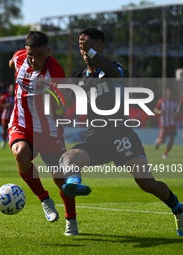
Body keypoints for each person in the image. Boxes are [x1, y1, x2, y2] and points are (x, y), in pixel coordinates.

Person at [59, 27, 183, 236]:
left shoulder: (112, 68)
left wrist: (91, 52)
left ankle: (178, 209)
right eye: (82, 47)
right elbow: (67, 101)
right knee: (68, 157)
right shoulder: (79, 78)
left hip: (122, 136)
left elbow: (117, 75)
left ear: (101, 47)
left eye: (90, 46)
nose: (85, 51)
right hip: (96, 138)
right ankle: (74, 184)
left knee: (146, 183)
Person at [8, 31, 77, 236]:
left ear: (48, 51)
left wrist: (63, 95)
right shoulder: (20, 57)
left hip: (48, 129)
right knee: (20, 154)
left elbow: (69, 101)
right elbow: (12, 61)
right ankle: (45, 199)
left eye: (39, 55)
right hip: (21, 124)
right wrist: (14, 60)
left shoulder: (55, 70)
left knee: (59, 178)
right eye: (30, 54)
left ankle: (71, 220)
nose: (34, 59)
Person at [154, 87, 178, 158]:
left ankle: (165, 154)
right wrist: (159, 112)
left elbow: (177, 111)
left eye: (171, 92)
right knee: (163, 140)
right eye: (168, 92)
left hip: (172, 123)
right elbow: (155, 109)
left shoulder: (175, 102)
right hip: (163, 123)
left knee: (172, 138)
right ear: (166, 93)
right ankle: (158, 142)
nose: (170, 93)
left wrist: (177, 114)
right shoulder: (162, 101)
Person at [0, 84, 14, 149]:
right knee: (4, 129)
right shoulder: (5, 97)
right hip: (5, 116)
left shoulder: (16, 97)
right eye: (11, 88)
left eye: (14, 88)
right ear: (9, 89)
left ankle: (11, 143)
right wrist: (5, 106)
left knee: (12, 131)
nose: (13, 90)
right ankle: (4, 141)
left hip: (13, 117)